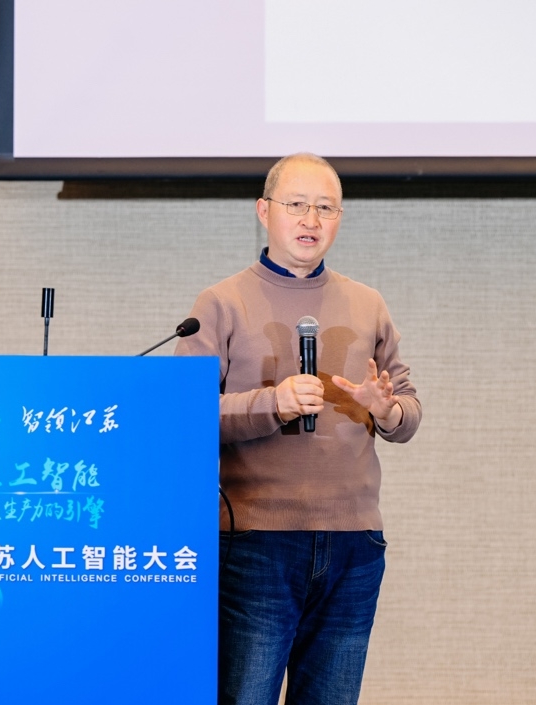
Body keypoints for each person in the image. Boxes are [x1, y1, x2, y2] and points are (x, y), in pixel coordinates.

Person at [174, 153, 421, 705]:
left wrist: (386, 411)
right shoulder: (220, 303)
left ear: (340, 218)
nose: (311, 220)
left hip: (354, 541)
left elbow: (407, 409)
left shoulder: (368, 304)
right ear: (264, 211)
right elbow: (184, 418)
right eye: (297, 205)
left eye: (326, 208)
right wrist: (273, 403)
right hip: (256, 542)